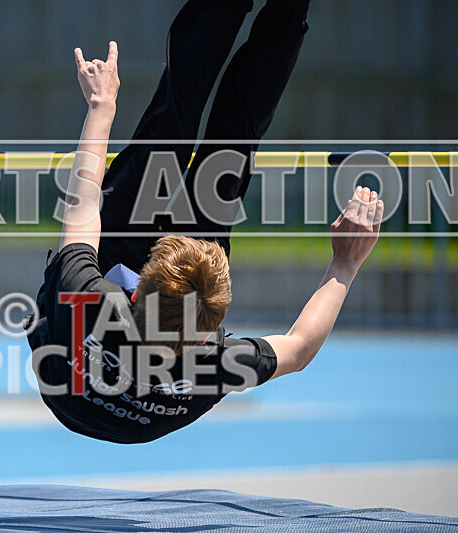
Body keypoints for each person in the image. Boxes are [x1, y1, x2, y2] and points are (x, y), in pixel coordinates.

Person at [26, 0, 384, 444]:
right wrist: (345, 266)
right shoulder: (208, 363)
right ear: (203, 337)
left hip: (72, 365)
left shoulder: (85, 300)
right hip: (114, 371)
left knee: (172, 128)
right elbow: (299, 348)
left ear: (134, 290)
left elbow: (83, 207)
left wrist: (101, 105)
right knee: (230, 149)